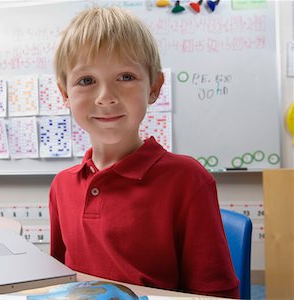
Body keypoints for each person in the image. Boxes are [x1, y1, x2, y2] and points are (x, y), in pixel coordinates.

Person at [49, 6, 239, 299]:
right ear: (64, 93)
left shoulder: (187, 180)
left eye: (125, 77)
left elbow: (216, 295)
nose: (105, 97)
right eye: (86, 81)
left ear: (154, 86)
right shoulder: (62, 186)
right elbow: (62, 283)